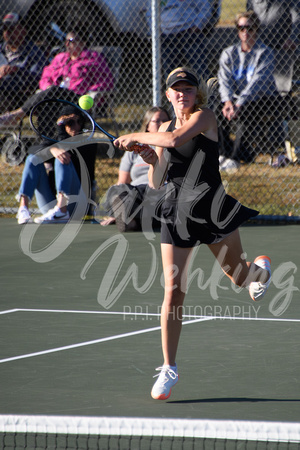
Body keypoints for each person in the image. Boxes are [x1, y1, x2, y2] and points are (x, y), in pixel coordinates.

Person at [114, 66, 272, 400]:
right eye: (177, 89)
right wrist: (146, 156)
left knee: (240, 278)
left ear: (195, 93)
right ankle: (169, 367)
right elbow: (156, 181)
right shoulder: (165, 127)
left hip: (212, 210)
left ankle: (260, 271)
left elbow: (172, 141)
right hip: (178, 214)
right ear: (168, 94)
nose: (182, 94)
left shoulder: (205, 117)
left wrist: (139, 136)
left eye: (188, 89)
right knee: (174, 290)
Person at [0, 27, 114, 127]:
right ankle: (45, 143)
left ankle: (17, 115)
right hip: (55, 96)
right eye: (66, 41)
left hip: (77, 98)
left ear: (83, 43)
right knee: (48, 101)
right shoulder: (61, 58)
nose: (67, 45)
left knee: (53, 91)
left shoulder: (92, 58)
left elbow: (107, 81)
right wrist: (46, 87)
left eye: (71, 41)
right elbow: (45, 75)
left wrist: (91, 94)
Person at [217, 11, 285, 167]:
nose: (245, 32)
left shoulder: (265, 53)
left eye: (250, 28)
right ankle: (224, 154)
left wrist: (239, 103)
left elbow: (257, 83)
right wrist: (227, 102)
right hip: (234, 99)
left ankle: (235, 158)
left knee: (248, 111)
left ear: (257, 29)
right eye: (241, 28)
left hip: (261, 99)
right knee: (215, 111)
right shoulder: (228, 53)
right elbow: (224, 80)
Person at [16, 104, 97, 224]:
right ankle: (23, 208)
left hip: (77, 204)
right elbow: (32, 150)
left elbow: (69, 148)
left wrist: (55, 148)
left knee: (63, 156)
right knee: (32, 159)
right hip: (50, 205)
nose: (76, 126)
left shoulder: (88, 142)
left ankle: (62, 210)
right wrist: (51, 150)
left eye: (79, 121)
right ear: (62, 125)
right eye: (70, 122)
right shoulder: (54, 140)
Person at [101, 106, 170, 232]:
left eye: (165, 121)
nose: (161, 124)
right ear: (147, 125)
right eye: (157, 121)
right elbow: (122, 182)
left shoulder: (172, 145)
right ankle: (131, 221)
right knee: (117, 191)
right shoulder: (133, 150)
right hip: (138, 194)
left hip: (162, 191)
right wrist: (116, 211)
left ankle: (139, 220)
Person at [146, 0, 221, 81]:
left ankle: (206, 91)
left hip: (189, 33)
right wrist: (157, 31)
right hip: (166, 35)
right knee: (170, 71)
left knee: (199, 67)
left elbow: (205, 8)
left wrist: (197, 25)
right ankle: (175, 90)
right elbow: (150, 14)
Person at [0, 12, 47, 112]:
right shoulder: (1, 49)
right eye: (5, 29)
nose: (7, 32)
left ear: (23, 30)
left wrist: (16, 70)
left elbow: (38, 75)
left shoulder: (34, 51)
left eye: (11, 29)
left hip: (16, 93)